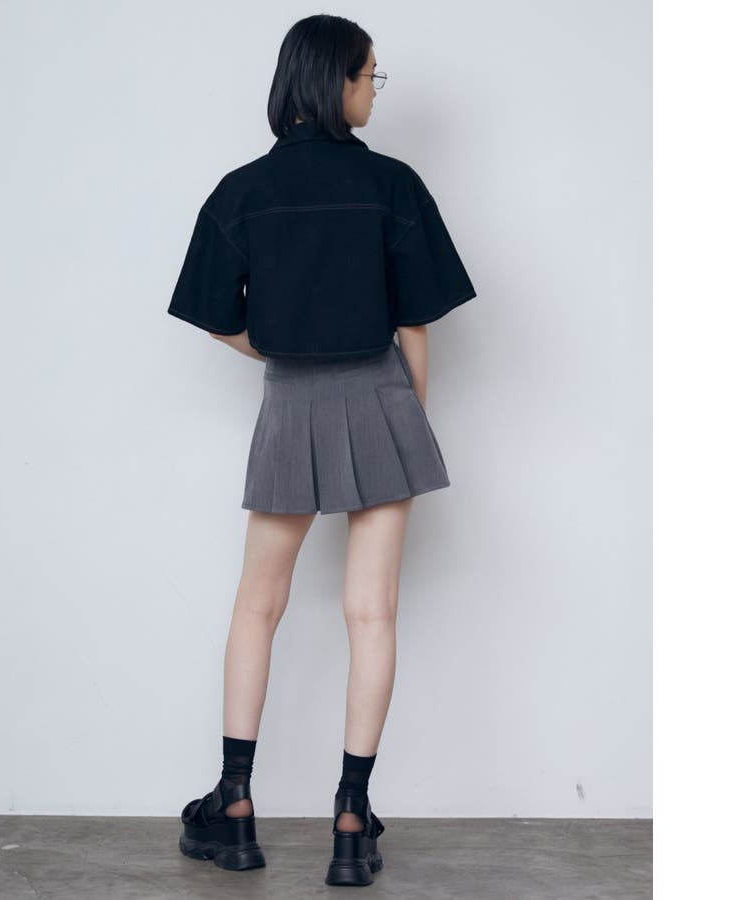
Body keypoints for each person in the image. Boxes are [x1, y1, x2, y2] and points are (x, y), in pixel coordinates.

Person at [167, 13, 477, 888]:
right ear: (336, 80)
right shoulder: (392, 184)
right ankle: (350, 818)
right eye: (370, 75)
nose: (374, 90)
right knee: (370, 613)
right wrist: (406, 418)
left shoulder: (242, 191)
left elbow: (216, 315)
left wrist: (276, 347)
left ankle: (234, 806)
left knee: (256, 605)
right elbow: (414, 324)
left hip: (289, 400)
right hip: (381, 396)